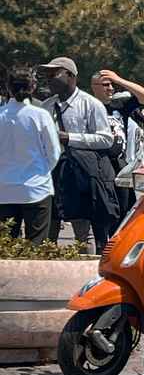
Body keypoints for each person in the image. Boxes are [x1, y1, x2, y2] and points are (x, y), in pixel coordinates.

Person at [38, 57, 123, 254]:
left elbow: (105, 139)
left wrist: (69, 138)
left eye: (54, 74)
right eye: (47, 75)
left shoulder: (90, 104)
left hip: (79, 175)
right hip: (51, 174)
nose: (49, 79)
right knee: (48, 230)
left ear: (71, 75)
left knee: (82, 231)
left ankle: (85, 268)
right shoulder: (46, 107)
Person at [0, 68, 61, 243]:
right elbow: (54, 152)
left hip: (4, 189)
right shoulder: (40, 115)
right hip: (36, 188)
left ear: (8, 87)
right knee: (36, 245)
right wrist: (42, 171)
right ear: (33, 87)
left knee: (5, 245)